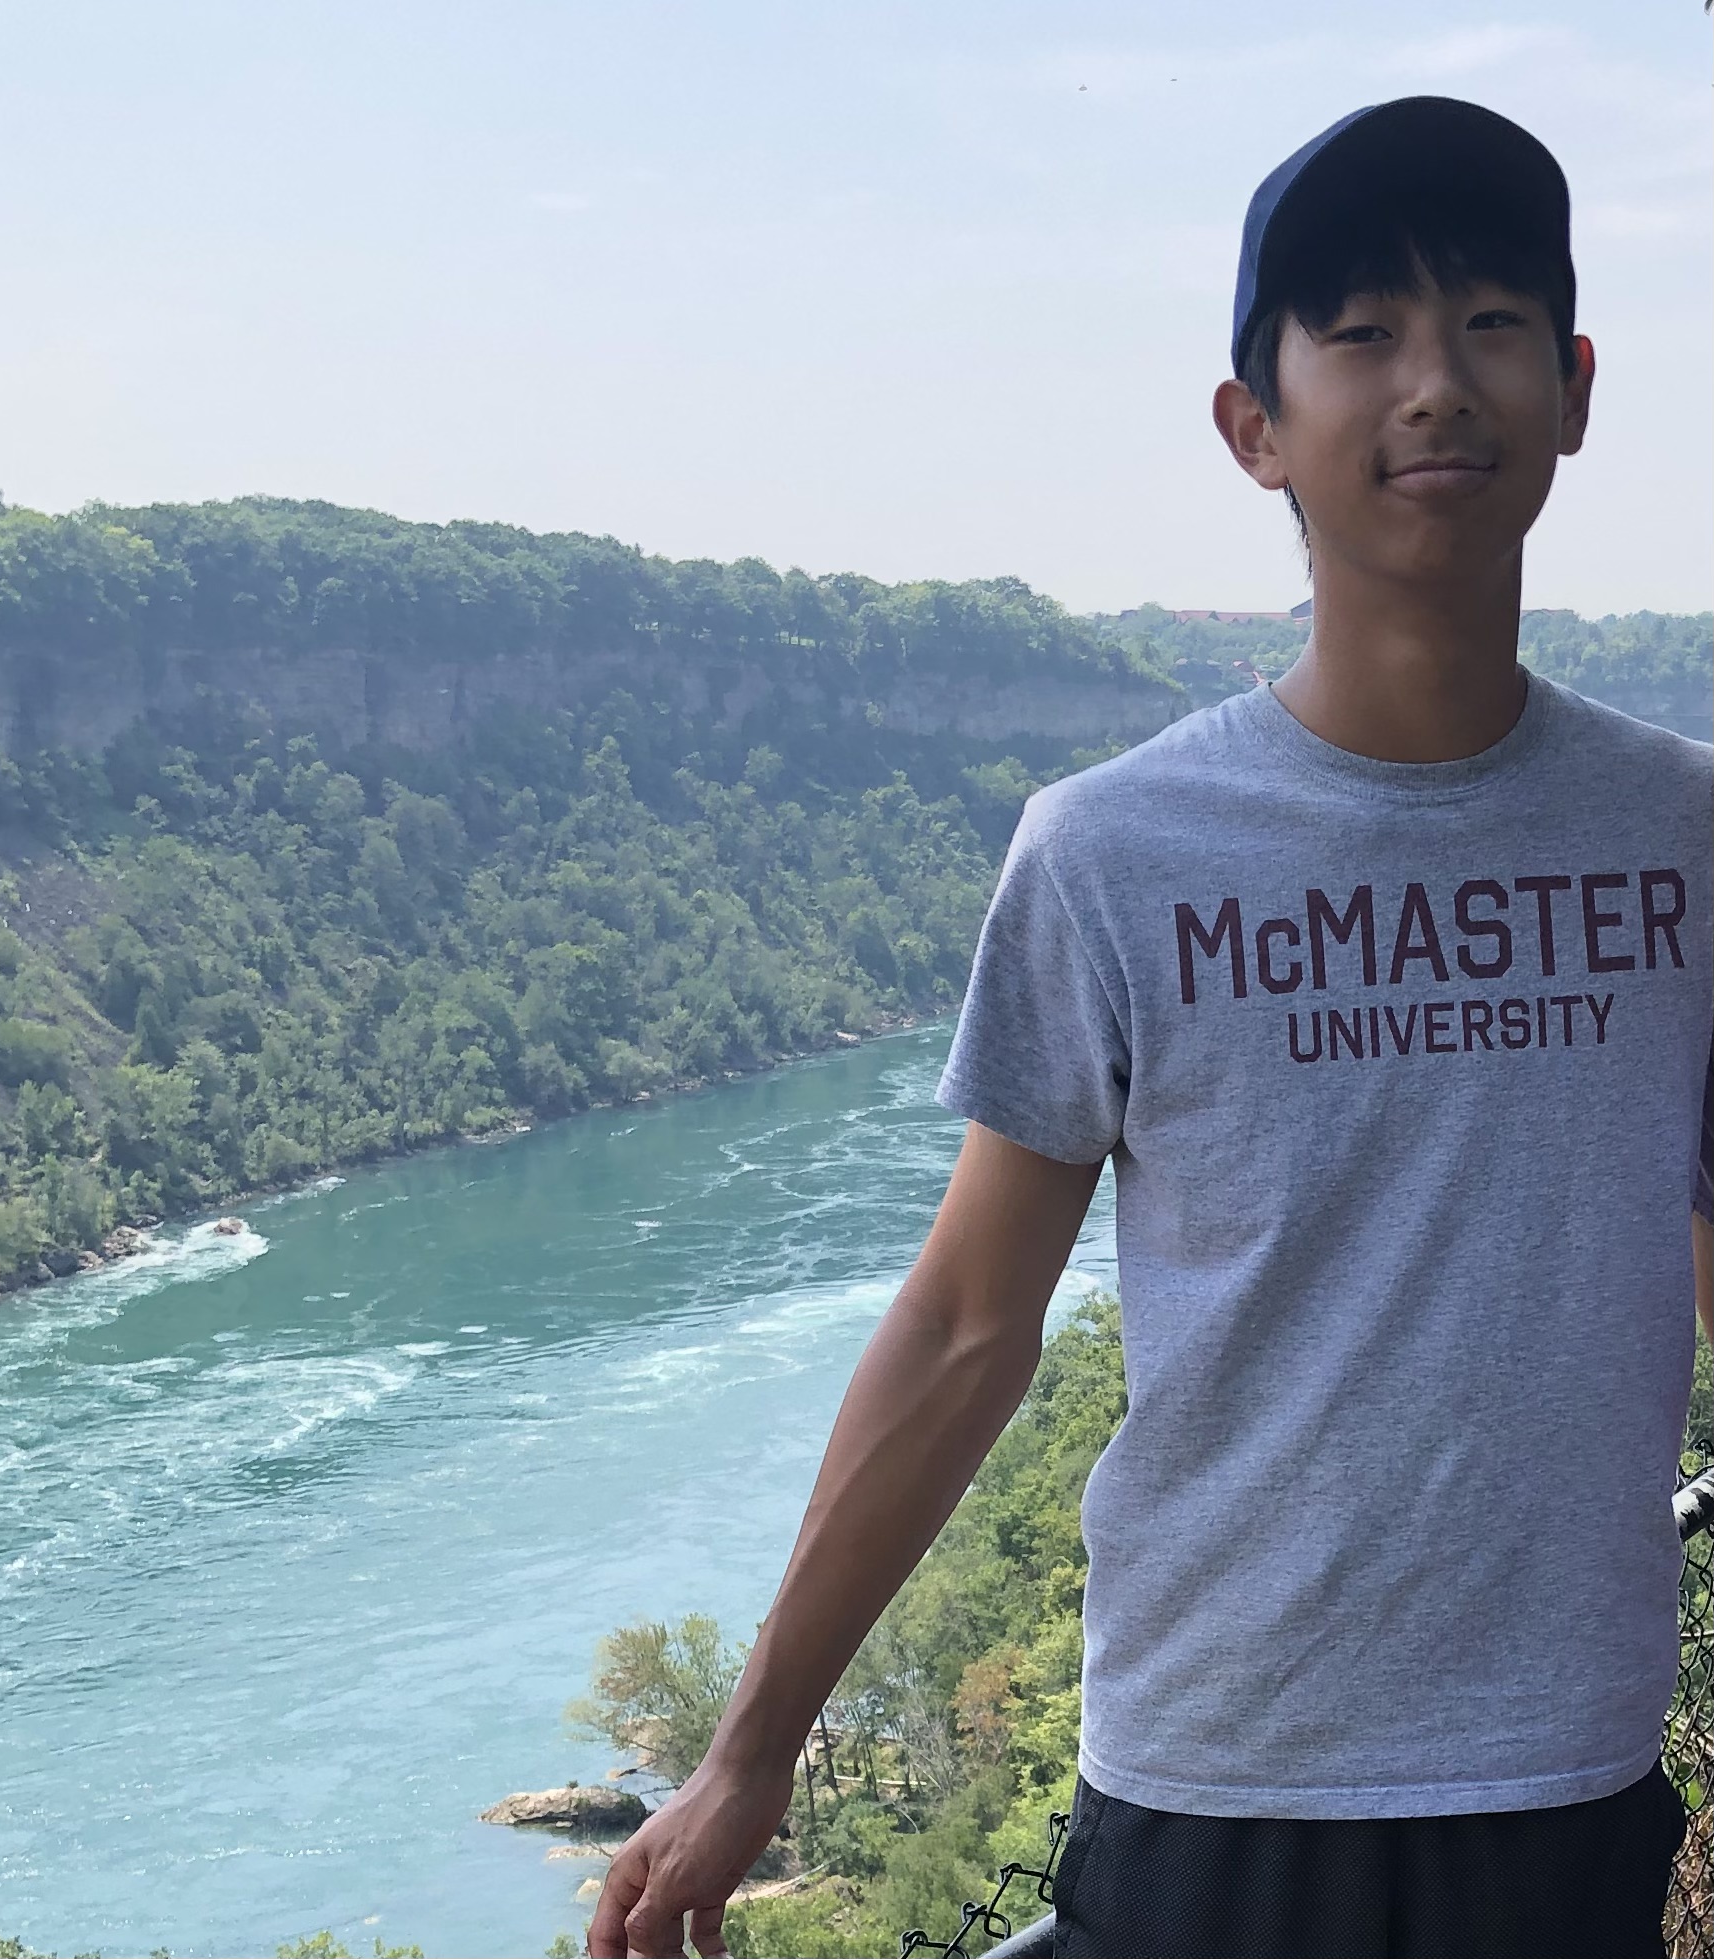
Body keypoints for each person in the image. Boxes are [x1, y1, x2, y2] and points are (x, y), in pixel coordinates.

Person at [587, 96, 1714, 1959]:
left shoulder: (1684, 837)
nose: (1434, 384)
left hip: (1563, 1784)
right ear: (1252, 427)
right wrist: (747, 1752)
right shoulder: (1111, 854)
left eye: (1491, 323)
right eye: (1361, 334)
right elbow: (966, 1325)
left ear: (1573, 389)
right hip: (1215, 1790)